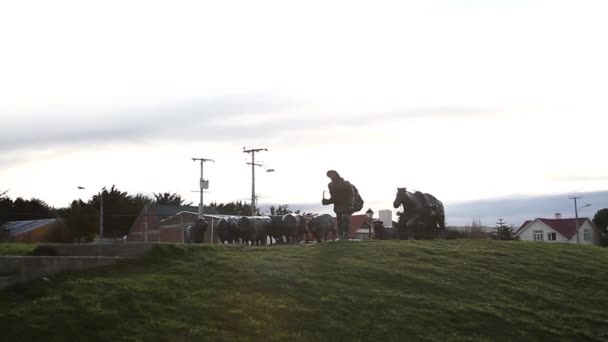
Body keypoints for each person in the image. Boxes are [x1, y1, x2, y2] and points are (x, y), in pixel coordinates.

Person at [321, 170, 353, 240]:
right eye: (329, 176)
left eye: (332, 175)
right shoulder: (330, 185)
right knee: (339, 221)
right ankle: (341, 235)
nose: (331, 177)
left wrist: (350, 204)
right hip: (338, 206)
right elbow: (333, 197)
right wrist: (327, 201)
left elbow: (351, 194)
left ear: (336, 175)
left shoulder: (345, 183)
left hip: (346, 204)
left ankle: (346, 234)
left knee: (345, 218)